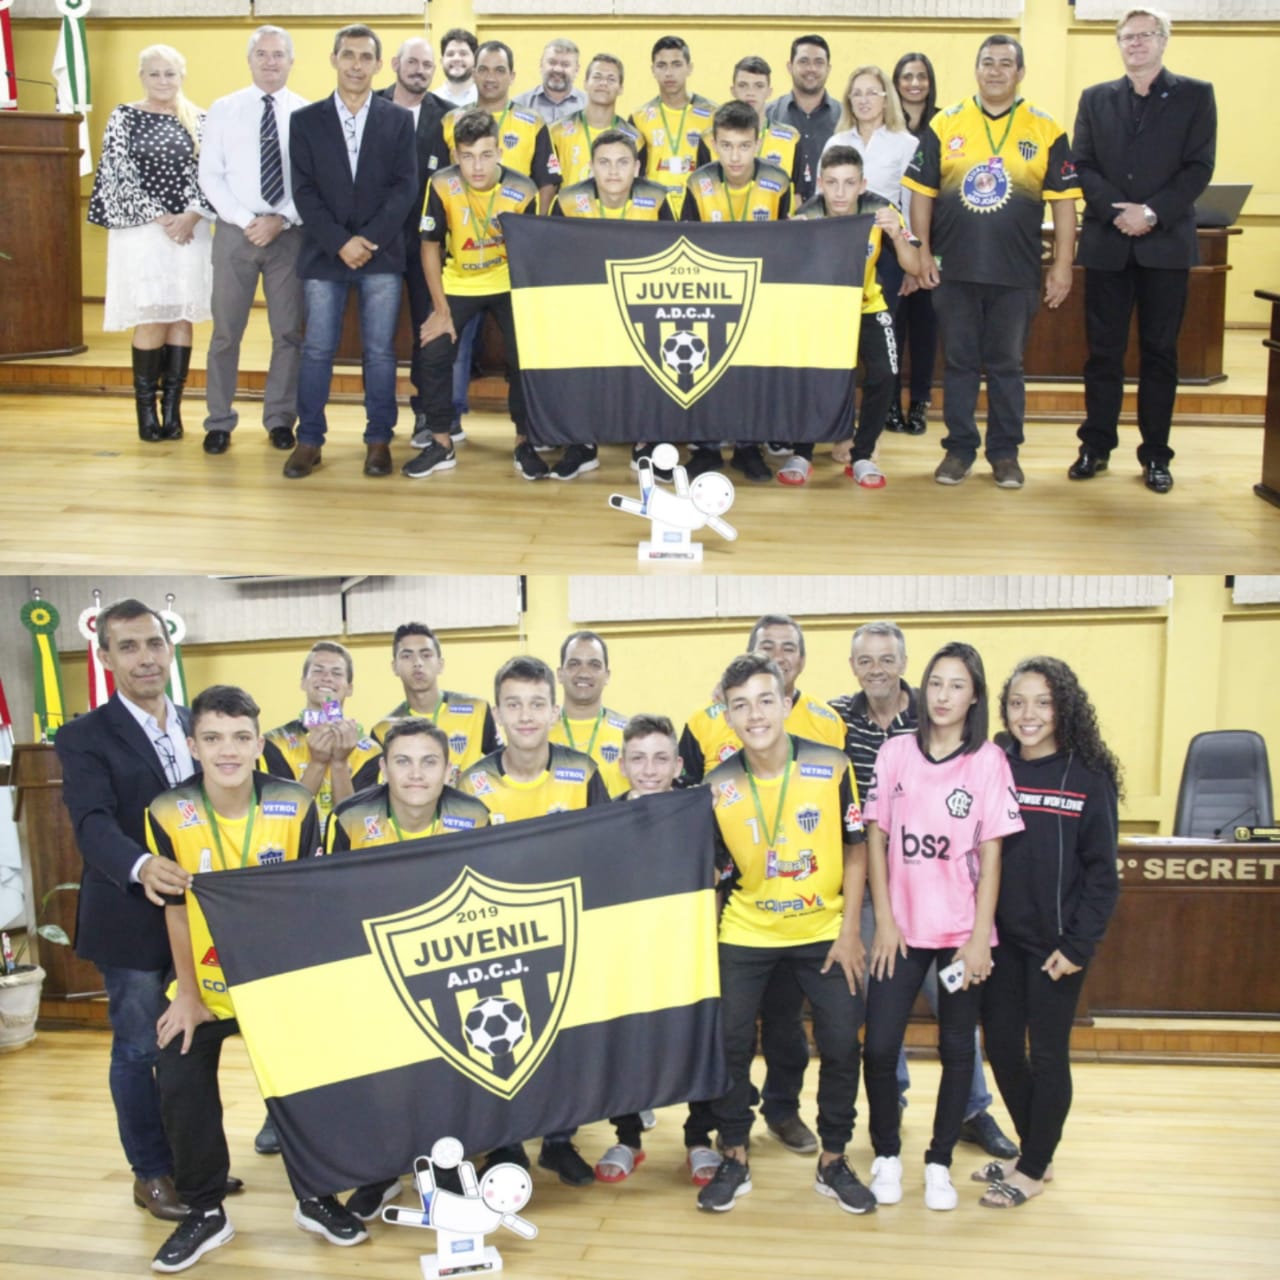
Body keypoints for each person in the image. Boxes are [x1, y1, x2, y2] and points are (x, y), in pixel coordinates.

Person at [146, 685, 368, 1272]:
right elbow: (174, 910)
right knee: (178, 1068)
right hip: (206, 986)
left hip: (277, 980)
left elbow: (306, 902)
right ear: (193, 745)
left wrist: (301, 990)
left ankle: (316, 1196)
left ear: (257, 745)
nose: (228, 750)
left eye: (241, 737)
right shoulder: (166, 811)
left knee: (314, 1079)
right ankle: (205, 1210)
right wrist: (187, 995)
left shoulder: (295, 804)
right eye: (213, 738)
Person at [828, 621, 1017, 1159]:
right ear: (852, 666)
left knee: (957, 1028)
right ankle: (891, 1115)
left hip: (953, 913)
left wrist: (979, 935)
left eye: (887, 659)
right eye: (865, 660)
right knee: (881, 1027)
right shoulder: (840, 720)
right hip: (882, 896)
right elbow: (875, 829)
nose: (876, 669)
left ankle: (971, 1113)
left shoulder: (970, 749)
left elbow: (991, 851)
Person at [696, 652, 876, 1216]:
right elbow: (714, 872)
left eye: (765, 700)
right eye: (740, 705)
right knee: (729, 1043)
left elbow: (855, 849)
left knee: (842, 1043)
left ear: (786, 703)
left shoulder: (832, 764)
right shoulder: (716, 785)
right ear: (727, 715)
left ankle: (834, 1160)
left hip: (824, 930)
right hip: (747, 930)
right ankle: (734, 1153)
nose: (755, 715)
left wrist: (850, 932)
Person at [53, 599, 211, 1223]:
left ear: (169, 650)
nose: (145, 658)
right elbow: (91, 825)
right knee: (140, 1050)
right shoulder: (83, 736)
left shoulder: (201, 722)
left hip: (201, 918)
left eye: (154, 643)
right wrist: (143, 865)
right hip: (130, 918)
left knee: (193, 1046)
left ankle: (195, 1167)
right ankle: (151, 1174)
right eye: (128, 646)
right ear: (105, 657)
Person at [458, 656, 610, 1185]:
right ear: (498, 713)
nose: (525, 715)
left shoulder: (582, 772)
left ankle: (559, 1141)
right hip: (495, 936)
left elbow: (604, 849)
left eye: (536, 704)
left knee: (564, 1040)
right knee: (499, 1035)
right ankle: (505, 1145)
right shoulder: (472, 782)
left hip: (565, 929)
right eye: (514, 704)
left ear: (553, 711)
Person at [904, 35, 1080, 490]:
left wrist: (1063, 265)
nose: (996, 71)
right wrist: (921, 252)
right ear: (976, 69)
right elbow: (921, 195)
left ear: (1020, 72)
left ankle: (1004, 454)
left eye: (1006, 63)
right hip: (954, 270)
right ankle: (959, 450)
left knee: (1007, 366)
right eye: (988, 62)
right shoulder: (945, 122)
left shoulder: (1046, 128)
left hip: (1016, 272)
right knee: (959, 363)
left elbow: (1064, 204)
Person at [976, 657, 1121, 1208]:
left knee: (1047, 1055)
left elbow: (1103, 875)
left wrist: (1078, 945)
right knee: (1002, 1048)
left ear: (1063, 708)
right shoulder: (995, 763)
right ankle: (1035, 1149)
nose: (1028, 714)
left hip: (1056, 948)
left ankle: (1034, 1166)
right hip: (1000, 942)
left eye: (1042, 702)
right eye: (1017, 703)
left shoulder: (1087, 776)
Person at [1069, 6, 1217, 495]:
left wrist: (1150, 213)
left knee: (1160, 354)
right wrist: (1120, 212)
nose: (1135, 43)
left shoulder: (1196, 95)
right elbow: (1082, 165)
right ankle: (1095, 446)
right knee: (1102, 354)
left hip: (1165, 245)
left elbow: (1199, 167)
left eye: (1145, 35)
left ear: (1163, 40)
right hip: (1108, 243)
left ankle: (1155, 454)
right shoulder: (1095, 98)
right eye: (1126, 36)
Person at [284, 24, 418, 481]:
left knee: (380, 352)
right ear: (334, 60)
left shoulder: (398, 120)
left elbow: (405, 188)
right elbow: (303, 191)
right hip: (325, 253)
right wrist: (340, 241)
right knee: (317, 350)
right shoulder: (305, 120)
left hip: (382, 253)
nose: (356, 65)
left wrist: (368, 239)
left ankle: (379, 440)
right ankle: (309, 440)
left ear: (379, 65)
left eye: (365, 57)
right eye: (348, 55)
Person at [402, 109, 540, 481]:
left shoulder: (524, 189)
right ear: (455, 155)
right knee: (432, 350)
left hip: (508, 282)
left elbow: (532, 252)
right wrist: (440, 309)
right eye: (467, 156)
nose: (477, 166)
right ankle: (441, 443)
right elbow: (429, 245)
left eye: (485, 155)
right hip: (459, 281)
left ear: (499, 152)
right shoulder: (441, 183)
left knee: (525, 357)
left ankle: (525, 442)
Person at [436, 42, 561, 454]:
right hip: (463, 255)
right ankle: (448, 423)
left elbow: (547, 180)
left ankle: (527, 430)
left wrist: (531, 229)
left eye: (499, 69)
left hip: (514, 256)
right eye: (484, 69)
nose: (490, 77)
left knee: (521, 350)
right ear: (473, 73)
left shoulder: (532, 122)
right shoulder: (449, 121)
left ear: (512, 75)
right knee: (454, 345)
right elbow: (438, 181)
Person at [88, 44, 214, 443]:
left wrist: (191, 215)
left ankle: (172, 413)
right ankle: (146, 414)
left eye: (170, 73)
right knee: (152, 315)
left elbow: (211, 173)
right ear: (142, 77)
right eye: (154, 73)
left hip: (190, 231)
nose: (163, 80)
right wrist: (162, 217)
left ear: (182, 76)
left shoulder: (201, 119)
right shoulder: (124, 116)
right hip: (143, 232)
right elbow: (117, 173)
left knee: (180, 316)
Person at [198, 26, 307, 457]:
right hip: (234, 234)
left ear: (291, 61)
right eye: (261, 54)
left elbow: (312, 179)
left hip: (288, 236)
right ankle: (218, 421)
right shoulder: (223, 109)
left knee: (288, 333)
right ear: (249, 60)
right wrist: (250, 221)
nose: (270, 61)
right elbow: (210, 176)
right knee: (226, 333)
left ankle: (280, 419)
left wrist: (281, 219)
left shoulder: (306, 113)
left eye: (278, 54)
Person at [790, 145, 921, 489]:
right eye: (832, 183)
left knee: (885, 372)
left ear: (862, 184)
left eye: (849, 183)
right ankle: (801, 453)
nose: (840, 192)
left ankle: (862, 455)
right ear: (820, 183)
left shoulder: (881, 209)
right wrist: (791, 238)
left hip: (867, 306)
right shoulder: (807, 214)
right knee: (807, 372)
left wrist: (897, 234)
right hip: (821, 309)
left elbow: (914, 266)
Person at [548, 128, 672, 479]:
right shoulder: (567, 200)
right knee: (577, 369)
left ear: (637, 167)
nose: (613, 171)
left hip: (643, 305)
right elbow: (552, 253)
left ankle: (646, 445)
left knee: (653, 366)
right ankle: (581, 446)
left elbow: (675, 252)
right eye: (604, 162)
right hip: (586, 305)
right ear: (591, 166)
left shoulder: (658, 198)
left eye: (622, 162)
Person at [593, 713, 685, 1183]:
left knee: (697, 1039)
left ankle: (700, 1139)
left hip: (685, 950)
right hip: (625, 955)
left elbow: (718, 878)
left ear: (678, 765)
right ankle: (627, 1138)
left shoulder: (697, 814)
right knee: (623, 1045)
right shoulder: (602, 822)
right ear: (622, 765)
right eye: (638, 759)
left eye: (660, 758)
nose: (649, 770)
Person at [681, 100, 791, 485]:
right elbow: (686, 242)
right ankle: (706, 448)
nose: (735, 156)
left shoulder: (779, 181)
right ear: (713, 143)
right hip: (710, 294)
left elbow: (787, 239)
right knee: (705, 368)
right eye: (726, 145)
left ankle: (748, 447)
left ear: (758, 143)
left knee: (751, 372)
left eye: (744, 146)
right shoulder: (697, 183)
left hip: (760, 293)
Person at [376, 38, 453, 447]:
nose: (419, 70)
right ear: (395, 63)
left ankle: (426, 413)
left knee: (428, 329)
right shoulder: (369, 105)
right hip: (378, 240)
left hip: (428, 241)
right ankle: (378, 419)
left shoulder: (448, 116)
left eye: (427, 65)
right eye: (412, 62)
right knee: (379, 334)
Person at [361, 622, 501, 786]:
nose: (417, 663)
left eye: (426, 655)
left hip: (465, 802)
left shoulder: (477, 709)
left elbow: (502, 764)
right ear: (395, 667)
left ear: (440, 664)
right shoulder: (383, 730)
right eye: (407, 656)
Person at [260, 640, 380, 824]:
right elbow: (283, 821)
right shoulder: (275, 743)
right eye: (318, 670)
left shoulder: (371, 752)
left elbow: (354, 825)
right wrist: (317, 763)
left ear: (349, 688)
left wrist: (340, 763)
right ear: (303, 682)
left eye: (336, 673)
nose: (326, 677)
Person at [885, 51, 941, 438]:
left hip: (935, 243)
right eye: (907, 76)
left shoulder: (944, 124)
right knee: (892, 327)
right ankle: (890, 402)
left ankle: (920, 402)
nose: (914, 83)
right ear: (896, 83)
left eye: (921, 76)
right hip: (894, 244)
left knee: (926, 328)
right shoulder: (887, 127)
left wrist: (925, 253)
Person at [628, 35, 714, 213]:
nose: (669, 73)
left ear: (689, 68)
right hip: (654, 208)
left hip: (699, 206)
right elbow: (631, 171)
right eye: (661, 65)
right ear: (653, 70)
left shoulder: (713, 114)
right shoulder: (639, 117)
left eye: (676, 64)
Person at [824, 65, 918, 217]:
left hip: (885, 228)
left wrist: (904, 232)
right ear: (849, 101)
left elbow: (911, 206)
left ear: (886, 100)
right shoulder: (836, 143)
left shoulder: (906, 144)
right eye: (857, 94)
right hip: (839, 228)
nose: (863, 100)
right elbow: (821, 198)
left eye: (872, 93)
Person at [547, 630, 630, 796]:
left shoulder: (631, 733)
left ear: (607, 676)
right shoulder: (539, 733)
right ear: (560, 674)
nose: (584, 673)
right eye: (574, 664)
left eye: (594, 665)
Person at [765, 34, 840, 203]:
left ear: (828, 69)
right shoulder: (768, 115)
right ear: (790, 67)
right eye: (804, 61)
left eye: (819, 62)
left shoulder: (845, 117)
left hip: (831, 213)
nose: (811, 69)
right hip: (781, 212)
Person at [549, 53, 641, 188]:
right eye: (597, 77)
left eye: (611, 79)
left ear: (621, 88)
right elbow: (548, 185)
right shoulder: (556, 132)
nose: (603, 83)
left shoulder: (635, 139)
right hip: (569, 202)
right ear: (585, 84)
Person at [729, 56, 802, 191]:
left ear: (769, 92)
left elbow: (797, 194)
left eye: (759, 86)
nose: (750, 93)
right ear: (733, 91)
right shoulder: (711, 139)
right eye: (743, 85)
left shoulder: (791, 139)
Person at [514, 38, 587, 125]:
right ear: (541, 65)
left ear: (576, 70)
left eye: (565, 65)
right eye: (552, 63)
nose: (557, 69)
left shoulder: (588, 106)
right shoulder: (519, 105)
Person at [435, 28, 478, 109]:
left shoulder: (486, 99)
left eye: (463, 53)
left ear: (475, 60)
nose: (456, 58)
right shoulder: (433, 100)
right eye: (450, 54)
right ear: (442, 61)